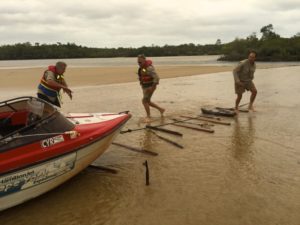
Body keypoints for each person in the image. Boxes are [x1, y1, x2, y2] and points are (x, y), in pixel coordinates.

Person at [137, 54, 165, 122]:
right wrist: (141, 78)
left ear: (144, 60)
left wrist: (152, 87)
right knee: (148, 101)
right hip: (145, 86)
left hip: (150, 87)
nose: (139, 64)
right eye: (138, 62)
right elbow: (144, 73)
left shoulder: (149, 68)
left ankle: (148, 116)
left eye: (140, 62)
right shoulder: (143, 67)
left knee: (144, 101)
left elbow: (157, 78)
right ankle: (161, 109)